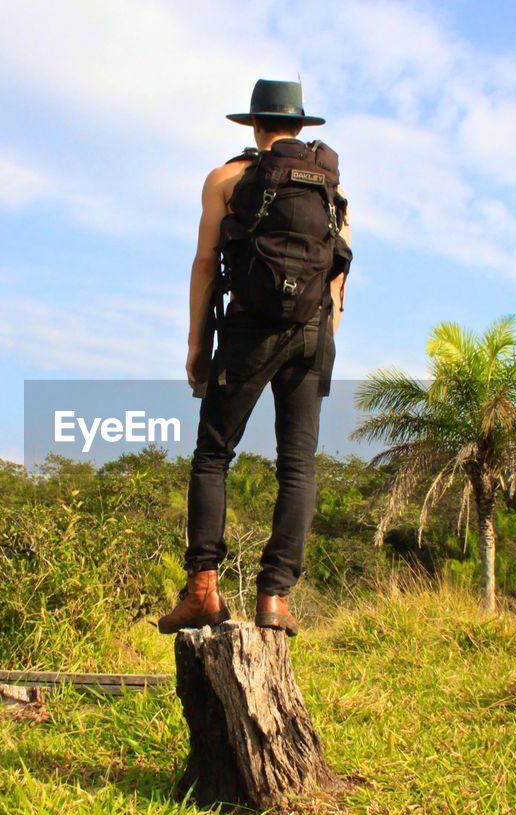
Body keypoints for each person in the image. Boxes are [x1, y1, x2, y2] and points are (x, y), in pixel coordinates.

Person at [158, 79, 351, 637]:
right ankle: (275, 599)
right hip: (312, 335)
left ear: (255, 125)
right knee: (298, 464)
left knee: (214, 454)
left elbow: (203, 262)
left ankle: (203, 591)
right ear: (299, 126)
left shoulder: (226, 178)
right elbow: (339, 278)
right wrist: (320, 339)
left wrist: (198, 342)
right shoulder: (332, 187)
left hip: (247, 331)